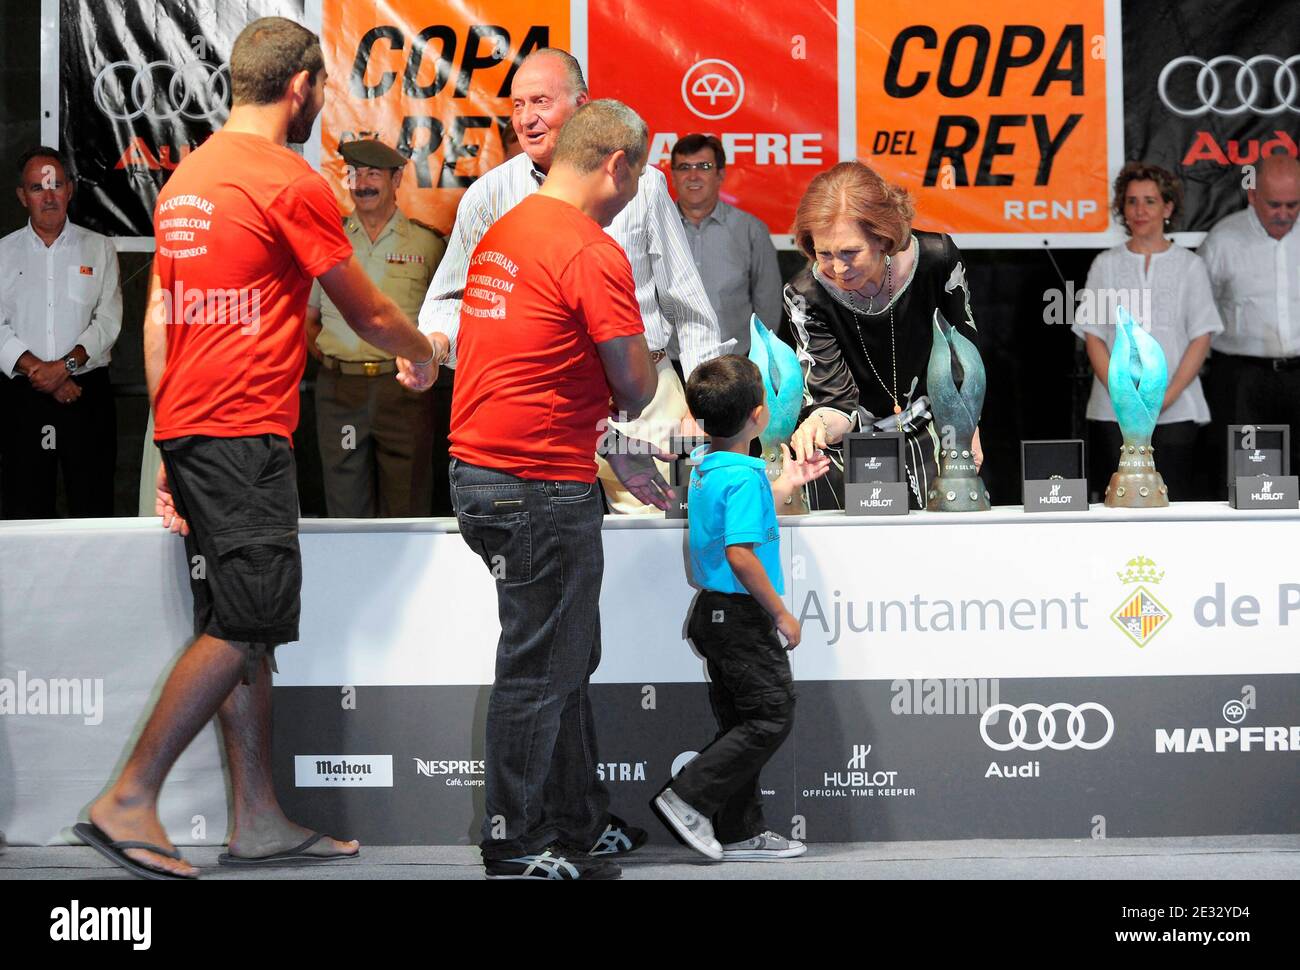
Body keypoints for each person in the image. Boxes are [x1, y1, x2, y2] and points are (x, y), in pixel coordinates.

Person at [76, 16, 440, 880]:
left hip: (199, 425)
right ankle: (130, 794)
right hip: (243, 429)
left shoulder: (189, 180)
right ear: (303, 86)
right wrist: (423, 352)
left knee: (246, 625)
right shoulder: (287, 181)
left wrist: (169, 439)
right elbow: (365, 311)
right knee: (252, 618)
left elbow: (161, 322)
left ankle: (260, 821)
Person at [449, 99, 672, 880]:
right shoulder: (589, 248)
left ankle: (576, 820)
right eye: (639, 173)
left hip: (486, 473)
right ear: (617, 164)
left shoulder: (507, 229)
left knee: (565, 657)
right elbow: (638, 386)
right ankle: (513, 841)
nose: (636, 189)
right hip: (536, 480)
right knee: (542, 667)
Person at [420, 47, 727, 514]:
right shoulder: (488, 195)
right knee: (554, 543)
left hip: (649, 403)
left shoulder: (640, 183)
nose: (527, 118)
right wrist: (435, 345)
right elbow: (455, 299)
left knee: (658, 552)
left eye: (541, 101)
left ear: (582, 105)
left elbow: (686, 302)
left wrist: (700, 406)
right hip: (547, 405)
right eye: (518, 106)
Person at [654, 355, 827, 861]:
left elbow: (736, 521)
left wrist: (785, 487)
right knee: (772, 714)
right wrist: (781, 613)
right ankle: (687, 798)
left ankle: (741, 830)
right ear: (759, 415)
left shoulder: (712, 468)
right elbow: (740, 553)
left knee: (743, 723)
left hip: (716, 615)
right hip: (742, 616)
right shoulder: (744, 476)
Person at [786, 161, 983, 509]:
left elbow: (962, 355)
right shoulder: (805, 295)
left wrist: (967, 429)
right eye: (824, 254)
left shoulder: (937, 259)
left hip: (933, 430)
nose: (838, 268)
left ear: (882, 236)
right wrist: (815, 425)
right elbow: (834, 401)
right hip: (849, 445)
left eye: (850, 252)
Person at [306, 138, 446, 517]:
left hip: (402, 392)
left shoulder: (428, 244)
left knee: (408, 506)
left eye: (373, 174)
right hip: (339, 392)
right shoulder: (327, 240)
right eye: (353, 173)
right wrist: (342, 360)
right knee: (345, 510)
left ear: (397, 178)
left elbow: (446, 318)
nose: (361, 183)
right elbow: (309, 321)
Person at [1073, 162, 1222, 501]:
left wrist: (1163, 399)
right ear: (1122, 209)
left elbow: (1202, 336)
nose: (1140, 211)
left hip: (1177, 408)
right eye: (1132, 201)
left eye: (1150, 201)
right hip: (1114, 412)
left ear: (1168, 208)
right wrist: (1123, 394)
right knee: (1119, 502)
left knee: (1174, 499)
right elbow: (1092, 335)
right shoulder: (1105, 264)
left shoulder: (1190, 265)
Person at [0, 146, 121, 518]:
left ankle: (96, 579)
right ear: (23, 196)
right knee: (24, 510)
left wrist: (64, 367)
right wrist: (44, 373)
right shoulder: (3, 254)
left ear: (70, 189)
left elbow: (108, 322)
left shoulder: (99, 249)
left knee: (93, 506)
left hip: (86, 396)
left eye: (56, 186)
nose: (48, 197)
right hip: (22, 399)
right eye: (38, 188)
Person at [1200, 153, 1300, 487]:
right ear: (1252, 194)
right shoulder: (1223, 240)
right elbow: (1199, 310)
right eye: (1274, 204)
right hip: (1241, 379)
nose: (1284, 215)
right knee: (1244, 478)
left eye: (1293, 204)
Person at [669, 134, 781, 358]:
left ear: (720, 174)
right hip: (671, 364)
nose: (693, 176)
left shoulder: (750, 230)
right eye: (684, 167)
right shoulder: (653, 228)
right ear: (673, 175)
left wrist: (760, 358)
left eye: (704, 166)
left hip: (735, 364)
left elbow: (768, 303)